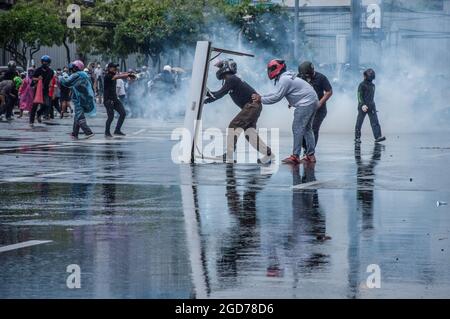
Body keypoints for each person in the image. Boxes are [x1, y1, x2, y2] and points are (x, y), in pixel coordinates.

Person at [204, 59, 273, 164]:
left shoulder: (231, 79)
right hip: (254, 106)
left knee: (233, 126)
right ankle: (268, 154)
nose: (218, 70)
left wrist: (206, 97)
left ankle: (229, 155)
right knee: (249, 133)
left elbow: (219, 94)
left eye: (220, 66)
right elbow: (218, 94)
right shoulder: (232, 79)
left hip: (252, 106)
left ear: (226, 67)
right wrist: (208, 95)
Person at [252, 59, 319, 165]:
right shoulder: (285, 78)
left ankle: (295, 156)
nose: (269, 71)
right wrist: (262, 96)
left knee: (297, 128)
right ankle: (310, 155)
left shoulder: (284, 79)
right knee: (307, 129)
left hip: (306, 102)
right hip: (312, 101)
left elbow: (277, 97)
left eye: (271, 69)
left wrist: (261, 99)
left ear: (278, 68)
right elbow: (276, 93)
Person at [298, 61, 333, 149]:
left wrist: (320, 103)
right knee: (302, 130)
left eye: (306, 76)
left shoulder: (321, 78)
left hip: (319, 110)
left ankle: (310, 153)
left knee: (313, 129)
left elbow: (329, 91)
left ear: (311, 72)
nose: (305, 78)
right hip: (305, 109)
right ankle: (305, 148)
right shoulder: (300, 77)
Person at [59, 60, 95, 140]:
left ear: (76, 68)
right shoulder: (84, 75)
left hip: (79, 98)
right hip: (85, 97)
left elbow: (66, 82)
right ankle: (74, 133)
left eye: (73, 67)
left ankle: (88, 132)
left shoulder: (76, 75)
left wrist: (60, 77)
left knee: (79, 115)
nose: (72, 68)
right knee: (77, 115)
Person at [355, 68, 386, 144]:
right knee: (359, 122)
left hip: (372, 106)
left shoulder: (373, 85)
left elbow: (371, 96)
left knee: (375, 122)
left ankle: (378, 137)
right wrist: (362, 105)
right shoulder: (361, 85)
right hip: (363, 107)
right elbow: (359, 96)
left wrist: (372, 105)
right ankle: (357, 138)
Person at [103, 62, 134, 137]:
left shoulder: (114, 75)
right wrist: (128, 75)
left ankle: (117, 130)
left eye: (116, 67)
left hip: (115, 99)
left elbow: (119, 74)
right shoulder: (108, 76)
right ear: (109, 68)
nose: (115, 69)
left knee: (123, 113)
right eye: (114, 67)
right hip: (108, 100)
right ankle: (107, 132)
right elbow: (118, 77)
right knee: (111, 117)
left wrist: (130, 73)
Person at [30, 55, 54, 124]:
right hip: (38, 90)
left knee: (47, 105)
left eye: (46, 62)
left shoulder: (51, 71)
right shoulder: (38, 70)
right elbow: (33, 78)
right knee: (35, 105)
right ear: (41, 62)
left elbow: (51, 79)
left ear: (49, 63)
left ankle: (39, 113)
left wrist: (50, 85)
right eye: (43, 62)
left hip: (45, 90)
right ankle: (31, 121)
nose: (45, 63)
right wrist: (38, 79)